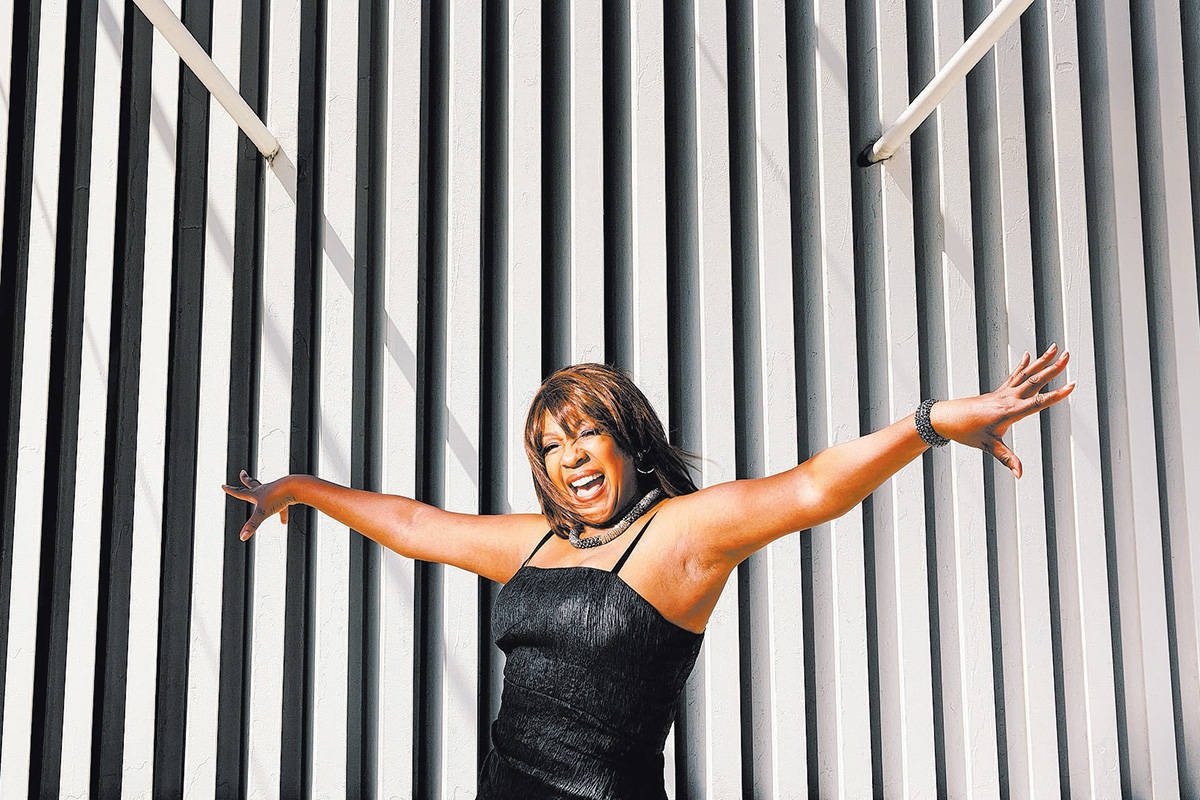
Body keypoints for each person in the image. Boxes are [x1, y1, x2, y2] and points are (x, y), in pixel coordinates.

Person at [222, 347, 1073, 798]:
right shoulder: (535, 545)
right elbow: (413, 525)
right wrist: (297, 488)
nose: (568, 459)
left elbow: (813, 485)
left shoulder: (678, 537)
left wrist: (929, 423)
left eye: (583, 434)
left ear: (627, 438)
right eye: (549, 447)